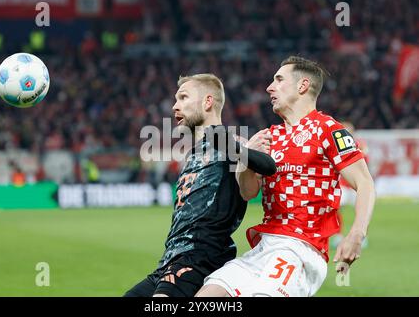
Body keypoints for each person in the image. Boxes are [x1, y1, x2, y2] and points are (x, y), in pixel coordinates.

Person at [196, 56, 375, 297]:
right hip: (263, 246)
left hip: (301, 249)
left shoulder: (328, 129)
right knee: (207, 296)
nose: (270, 87)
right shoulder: (269, 136)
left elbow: (364, 183)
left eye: (279, 80)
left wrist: (357, 232)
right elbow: (248, 192)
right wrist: (247, 159)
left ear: (302, 86)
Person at [124, 73, 276, 297]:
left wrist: (241, 150)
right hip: (169, 260)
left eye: (183, 98)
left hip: (199, 257)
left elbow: (267, 167)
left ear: (207, 102)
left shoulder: (228, 142)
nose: (175, 106)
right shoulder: (195, 152)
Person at [331, 121, 370, 249]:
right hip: (342, 184)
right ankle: (338, 235)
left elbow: (364, 163)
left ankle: (361, 236)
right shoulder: (336, 145)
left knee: (362, 210)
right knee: (335, 208)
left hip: (356, 185)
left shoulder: (360, 145)